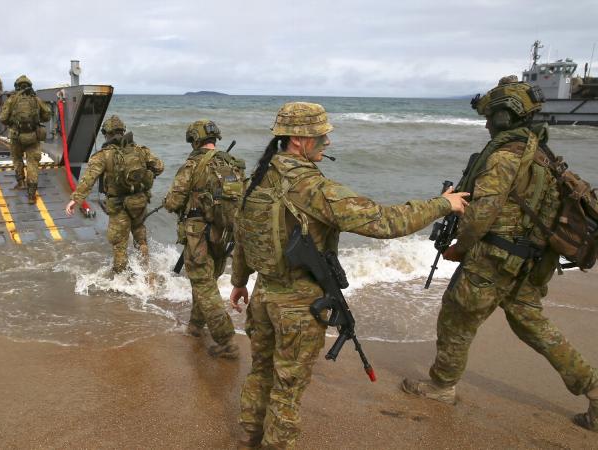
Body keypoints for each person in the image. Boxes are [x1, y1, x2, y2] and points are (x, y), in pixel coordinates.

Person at [229, 102, 469, 449]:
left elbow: (243, 233)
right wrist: (443, 204)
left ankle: (248, 439)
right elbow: (384, 221)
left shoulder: (261, 176)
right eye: (321, 135)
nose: (327, 141)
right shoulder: (309, 186)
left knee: (261, 372)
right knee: (288, 389)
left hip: (265, 298)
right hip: (297, 309)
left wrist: (239, 280)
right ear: (298, 139)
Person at [401, 76, 598, 431]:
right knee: (537, 329)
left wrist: (459, 248)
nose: (488, 123)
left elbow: (483, 213)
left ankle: (442, 386)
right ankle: (595, 390)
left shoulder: (505, 156)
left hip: (492, 262)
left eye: (491, 116)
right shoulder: (540, 153)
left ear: (505, 117)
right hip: (526, 262)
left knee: (456, 319)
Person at [164, 120, 245, 359]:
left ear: (194, 140)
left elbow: (173, 202)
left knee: (204, 285)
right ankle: (196, 326)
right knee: (207, 281)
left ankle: (226, 340)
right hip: (224, 235)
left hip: (198, 236)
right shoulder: (233, 164)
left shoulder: (193, 164)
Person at [65, 115, 164, 274]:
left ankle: (121, 282)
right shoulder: (140, 151)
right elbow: (159, 167)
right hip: (140, 202)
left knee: (119, 244)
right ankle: (146, 271)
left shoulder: (103, 155)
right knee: (140, 236)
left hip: (119, 205)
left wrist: (75, 200)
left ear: (106, 133)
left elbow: (89, 179)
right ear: (123, 131)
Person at [0, 75, 51, 204]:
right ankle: (31, 195)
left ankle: (20, 182)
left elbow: (3, 118)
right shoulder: (36, 100)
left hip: (16, 136)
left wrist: (13, 122)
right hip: (33, 136)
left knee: (17, 159)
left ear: (17, 86)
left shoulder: (12, 100)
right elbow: (47, 115)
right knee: (32, 163)